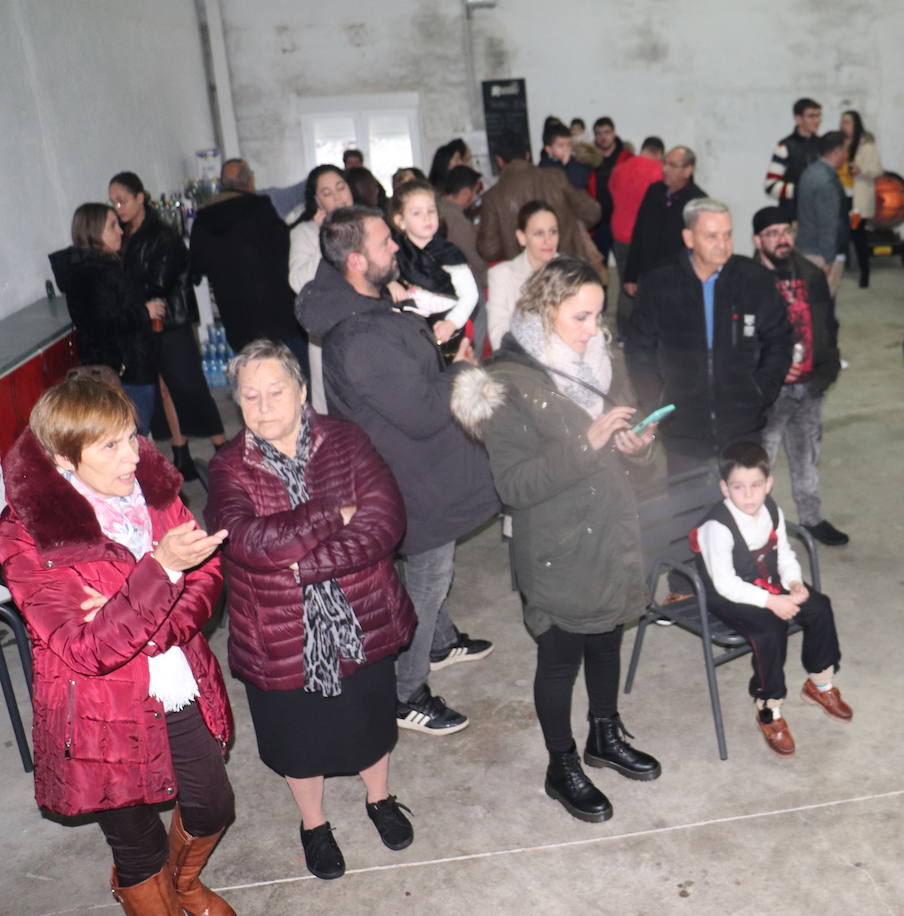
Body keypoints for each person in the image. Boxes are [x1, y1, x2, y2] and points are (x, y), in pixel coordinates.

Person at [0, 378, 235, 914]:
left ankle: (184, 882)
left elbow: (207, 576)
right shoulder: (28, 533)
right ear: (63, 456)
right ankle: (156, 896)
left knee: (212, 805)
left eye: (131, 435)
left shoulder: (152, 490)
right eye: (110, 445)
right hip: (96, 708)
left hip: (175, 677)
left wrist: (137, 608)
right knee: (138, 844)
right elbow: (85, 650)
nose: (132, 454)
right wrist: (160, 571)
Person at [450, 254, 661, 823]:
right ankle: (560, 763)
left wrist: (639, 450)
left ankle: (604, 734)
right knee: (561, 656)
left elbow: (635, 451)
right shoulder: (508, 384)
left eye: (598, 315)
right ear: (545, 312)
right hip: (558, 546)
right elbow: (514, 486)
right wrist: (587, 443)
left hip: (612, 534)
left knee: (608, 641)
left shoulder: (602, 358)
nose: (595, 330)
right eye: (581, 317)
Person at [206, 341, 418, 881]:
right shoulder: (229, 467)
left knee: (370, 720)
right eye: (250, 395)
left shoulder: (345, 441)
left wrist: (305, 567)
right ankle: (314, 824)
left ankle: (380, 799)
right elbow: (246, 540)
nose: (264, 405)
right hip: (278, 633)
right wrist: (328, 513)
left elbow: (384, 520)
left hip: (359, 616)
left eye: (276, 391)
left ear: (302, 392)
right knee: (298, 741)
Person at [295, 206, 499, 737]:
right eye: (387, 241)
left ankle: (439, 642)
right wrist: (458, 367)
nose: (397, 247)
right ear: (358, 260)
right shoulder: (361, 335)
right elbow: (425, 412)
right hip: (409, 476)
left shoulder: (369, 309)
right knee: (429, 576)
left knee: (433, 567)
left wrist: (428, 341)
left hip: (416, 466)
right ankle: (407, 692)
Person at [691, 442, 851, 756]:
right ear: (725, 488)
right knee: (769, 630)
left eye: (756, 486)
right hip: (729, 595)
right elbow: (725, 584)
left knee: (819, 607)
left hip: (768, 581)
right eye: (739, 487)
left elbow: (784, 553)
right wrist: (771, 602)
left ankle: (819, 684)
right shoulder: (717, 527)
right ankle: (769, 708)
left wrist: (793, 582)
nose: (749, 495)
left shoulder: (770, 509)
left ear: (768, 484)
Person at [625, 198, 793, 471]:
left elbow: (780, 340)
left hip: (744, 428)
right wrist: (658, 400)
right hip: (683, 432)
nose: (724, 244)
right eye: (712, 236)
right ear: (689, 238)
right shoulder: (658, 284)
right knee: (688, 510)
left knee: (745, 507)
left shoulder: (755, 281)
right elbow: (639, 350)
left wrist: (759, 391)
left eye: (728, 235)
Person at [109, 171, 226, 478]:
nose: (118, 207)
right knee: (162, 390)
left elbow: (158, 282)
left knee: (191, 388)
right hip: (144, 324)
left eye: (123, 200)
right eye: (113, 202)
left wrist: (124, 292)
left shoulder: (163, 235)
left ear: (140, 198)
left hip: (171, 321)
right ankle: (180, 453)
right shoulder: (123, 238)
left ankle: (223, 450)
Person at [752, 206, 846, 547]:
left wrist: (828, 368)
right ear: (757, 240)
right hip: (769, 392)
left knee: (807, 456)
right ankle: (755, 527)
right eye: (772, 233)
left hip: (810, 384)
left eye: (786, 231)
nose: (782, 240)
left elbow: (829, 325)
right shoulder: (747, 280)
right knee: (760, 462)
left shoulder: (811, 274)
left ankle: (811, 519)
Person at [48, 203, 158, 431]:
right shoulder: (92, 274)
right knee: (130, 437)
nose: (120, 230)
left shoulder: (104, 266)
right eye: (112, 226)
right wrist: (144, 312)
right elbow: (102, 324)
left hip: (126, 365)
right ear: (94, 233)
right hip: (122, 371)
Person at [189, 158, 305, 365]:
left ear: (222, 184)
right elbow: (287, 251)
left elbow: (197, 266)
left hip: (237, 322)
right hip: (279, 318)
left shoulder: (203, 220)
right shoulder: (261, 210)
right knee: (294, 377)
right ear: (250, 182)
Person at [476, 131, 603, 268]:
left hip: (526, 274)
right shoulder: (556, 177)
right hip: (567, 267)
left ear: (499, 161)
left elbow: (489, 250)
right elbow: (593, 212)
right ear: (527, 155)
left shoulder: (492, 197)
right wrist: (568, 224)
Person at [289, 165, 355, 413]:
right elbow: (298, 281)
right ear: (316, 201)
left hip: (369, 328)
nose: (338, 196)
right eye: (327, 193)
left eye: (341, 187)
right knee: (335, 414)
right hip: (329, 334)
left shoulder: (369, 223)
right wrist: (324, 239)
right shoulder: (304, 233)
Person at [390, 179, 481, 341]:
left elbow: (470, 295)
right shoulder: (394, 250)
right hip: (409, 329)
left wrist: (451, 323)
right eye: (417, 213)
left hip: (447, 327)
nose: (426, 218)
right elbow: (376, 275)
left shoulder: (450, 253)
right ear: (400, 221)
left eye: (431, 211)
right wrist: (390, 283)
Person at [622, 145, 708, 295]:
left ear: (688, 170)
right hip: (647, 274)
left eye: (673, 165)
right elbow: (639, 233)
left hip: (678, 281)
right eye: (664, 163)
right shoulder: (654, 191)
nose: (665, 169)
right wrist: (631, 275)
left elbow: (699, 247)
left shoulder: (698, 201)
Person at [607, 136, 665, 336]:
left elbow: (612, 194)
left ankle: (622, 333)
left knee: (625, 282)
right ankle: (642, 332)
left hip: (618, 233)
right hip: (643, 237)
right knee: (646, 286)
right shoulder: (658, 171)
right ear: (659, 153)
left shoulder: (619, 168)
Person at [486, 200, 561, 351]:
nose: (548, 240)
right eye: (539, 233)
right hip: (520, 362)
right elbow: (498, 334)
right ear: (521, 237)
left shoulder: (571, 273)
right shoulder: (501, 275)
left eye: (553, 231)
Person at [795, 131, 850, 299]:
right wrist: (828, 261)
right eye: (846, 149)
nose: (848, 154)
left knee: (810, 303)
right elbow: (828, 224)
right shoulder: (826, 181)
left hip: (806, 248)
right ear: (837, 151)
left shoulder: (810, 172)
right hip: (821, 254)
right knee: (823, 306)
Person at [840, 110, 882, 289]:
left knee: (858, 235)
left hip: (857, 200)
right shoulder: (839, 143)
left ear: (856, 124)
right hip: (841, 197)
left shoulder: (867, 144)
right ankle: (838, 270)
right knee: (839, 234)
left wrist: (861, 170)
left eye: (848, 122)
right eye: (842, 122)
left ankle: (865, 272)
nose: (844, 125)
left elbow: (877, 171)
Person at [588, 116, 634, 258]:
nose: (603, 137)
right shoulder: (588, 161)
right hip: (598, 225)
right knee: (598, 271)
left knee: (626, 269)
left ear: (614, 134)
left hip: (621, 224)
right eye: (599, 133)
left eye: (606, 132)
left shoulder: (627, 159)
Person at [765, 97, 824, 207]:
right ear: (798, 119)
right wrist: (801, 190)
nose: (817, 120)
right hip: (793, 215)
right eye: (811, 116)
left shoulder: (822, 145)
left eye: (818, 115)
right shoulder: (784, 147)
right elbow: (770, 186)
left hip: (817, 214)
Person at [437, 166, 487, 291]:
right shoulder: (457, 219)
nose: (475, 197)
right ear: (465, 192)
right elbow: (475, 258)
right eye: (475, 192)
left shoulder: (438, 207)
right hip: (467, 285)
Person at [539, 121, 594, 193]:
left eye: (569, 144)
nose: (566, 149)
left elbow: (580, 184)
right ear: (549, 149)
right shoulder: (544, 166)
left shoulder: (578, 162)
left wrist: (568, 164)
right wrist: (565, 165)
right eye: (560, 146)